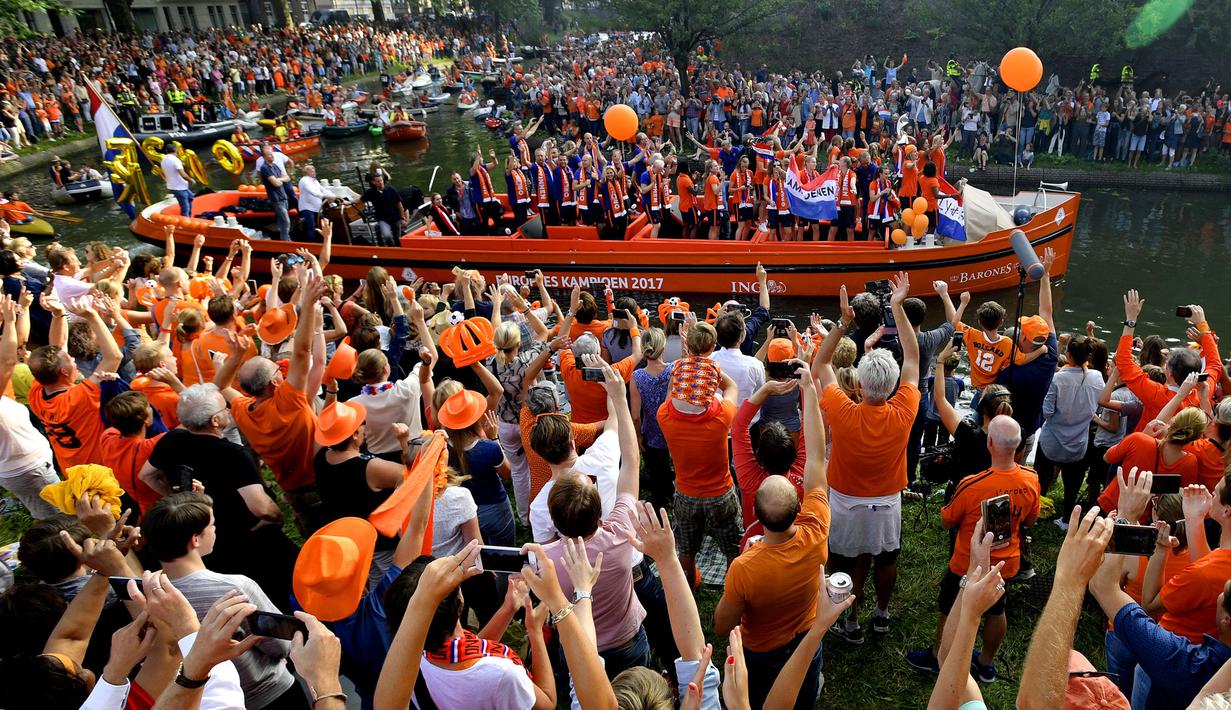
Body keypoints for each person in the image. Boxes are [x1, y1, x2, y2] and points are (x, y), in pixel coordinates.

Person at [715, 359, 830, 709]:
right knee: (806, 690)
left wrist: (762, 392)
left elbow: (722, 626)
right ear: (799, 507)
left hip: (761, 651)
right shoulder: (816, 525)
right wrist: (808, 392)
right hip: (807, 637)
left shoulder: (745, 566)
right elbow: (816, 454)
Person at [815, 274, 919, 643]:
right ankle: (882, 614)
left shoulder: (843, 410)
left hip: (844, 501)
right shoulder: (905, 408)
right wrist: (896, 307)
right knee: (885, 559)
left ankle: (851, 621)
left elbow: (821, 365)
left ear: (858, 386)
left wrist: (844, 322)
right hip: (887, 501)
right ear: (893, 387)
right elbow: (914, 356)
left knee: (844, 563)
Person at [142, 492, 306, 709]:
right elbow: (280, 644)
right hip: (270, 693)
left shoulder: (148, 594)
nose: (215, 529)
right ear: (195, 539)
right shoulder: (233, 587)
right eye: (212, 524)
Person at [907, 415, 1040, 682]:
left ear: (989, 443)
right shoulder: (1031, 479)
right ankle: (986, 664)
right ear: (1018, 447)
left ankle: (937, 656)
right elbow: (1030, 520)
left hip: (967, 564)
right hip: (1006, 563)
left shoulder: (972, 484)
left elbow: (947, 520)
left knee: (950, 609)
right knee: (996, 608)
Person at [140, 383, 297, 606]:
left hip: (203, 538)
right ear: (215, 420)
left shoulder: (171, 440)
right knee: (276, 589)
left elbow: (146, 474)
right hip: (246, 540)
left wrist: (181, 501)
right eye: (225, 408)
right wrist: (277, 516)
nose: (229, 411)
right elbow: (261, 507)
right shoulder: (232, 454)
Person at [217, 271, 325, 533]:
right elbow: (302, 351)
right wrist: (309, 305)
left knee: (310, 532)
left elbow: (219, 386)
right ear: (275, 383)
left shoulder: (244, 410)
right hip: (321, 481)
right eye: (277, 371)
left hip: (291, 490)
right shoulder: (290, 400)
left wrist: (234, 357)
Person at [658, 354, 741, 586]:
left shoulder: (664, 416)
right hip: (721, 494)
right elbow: (731, 386)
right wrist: (709, 368)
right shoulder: (722, 417)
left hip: (686, 495)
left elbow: (670, 397)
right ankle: (734, 587)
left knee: (686, 549)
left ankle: (690, 587)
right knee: (732, 547)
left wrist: (683, 370)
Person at [28, 299, 121, 470]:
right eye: (70, 359)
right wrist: (93, 317)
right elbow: (114, 357)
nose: (72, 357)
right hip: (98, 472)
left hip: (70, 468)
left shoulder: (36, 392)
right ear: (64, 372)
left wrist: (58, 315)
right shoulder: (79, 397)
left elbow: (57, 351)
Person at [1035, 335, 1105, 520]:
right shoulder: (1097, 377)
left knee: (1041, 477)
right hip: (1079, 441)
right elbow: (1098, 406)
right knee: (1072, 483)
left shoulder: (1057, 379)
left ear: (1069, 355)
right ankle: (1068, 517)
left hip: (1052, 440)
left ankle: (1035, 510)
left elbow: (1047, 412)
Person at [360, 173, 408, 247]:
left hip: (395, 217)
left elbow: (399, 205)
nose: (381, 182)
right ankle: (391, 249)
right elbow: (361, 199)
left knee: (397, 237)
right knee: (387, 236)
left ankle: (399, 250)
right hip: (383, 219)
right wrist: (349, 202)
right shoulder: (371, 192)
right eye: (378, 181)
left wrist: (402, 218)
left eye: (381, 180)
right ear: (374, 182)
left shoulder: (391, 190)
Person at [258, 144, 293, 242]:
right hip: (276, 198)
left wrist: (280, 179)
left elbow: (287, 178)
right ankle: (287, 241)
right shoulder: (265, 168)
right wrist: (281, 179)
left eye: (272, 154)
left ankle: (283, 239)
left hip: (283, 196)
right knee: (286, 221)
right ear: (264, 157)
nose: (272, 156)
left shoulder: (275, 166)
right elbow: (276, 183)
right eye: (269, 155)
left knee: (282, 221)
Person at [161, 143, 195, 218]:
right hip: (179, 187)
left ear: (166, 151)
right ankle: (186, 221)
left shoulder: (163, 160)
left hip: (173, 185)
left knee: (190, 196)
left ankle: (188, 216)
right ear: (176, 150)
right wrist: (191, 180)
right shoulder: (175, 160)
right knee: (185, 207)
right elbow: (183, 174)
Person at [297, 163, 328, 241]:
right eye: (312, 171)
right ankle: (312, 243)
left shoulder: (315, 181)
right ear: (307, 172)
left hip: (316, 207)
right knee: (311, 226)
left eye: (314, 171)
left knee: (322, 223)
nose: (314, 173)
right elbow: (313, 192)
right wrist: (326, 196)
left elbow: (322, 189)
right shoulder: (304, 181)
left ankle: (323, 240)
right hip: (307, 208)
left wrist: (333, 195)